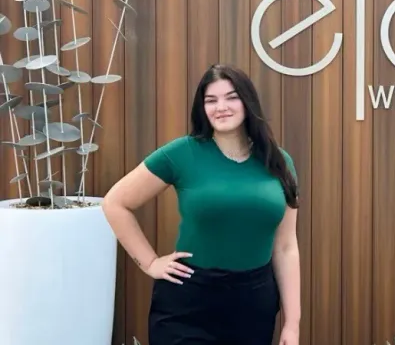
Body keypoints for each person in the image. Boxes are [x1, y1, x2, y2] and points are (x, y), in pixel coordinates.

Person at [102, 64, 301, 345]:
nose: (221, 107)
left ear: (248, 102)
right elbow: (115, 203)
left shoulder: (280, 162)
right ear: (202, 107)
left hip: (253, 302)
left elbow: (286, 246)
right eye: (211, 100)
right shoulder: (182, 153)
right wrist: (149, 262)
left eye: (231, 97)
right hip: (188, 301)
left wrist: (292, 325)